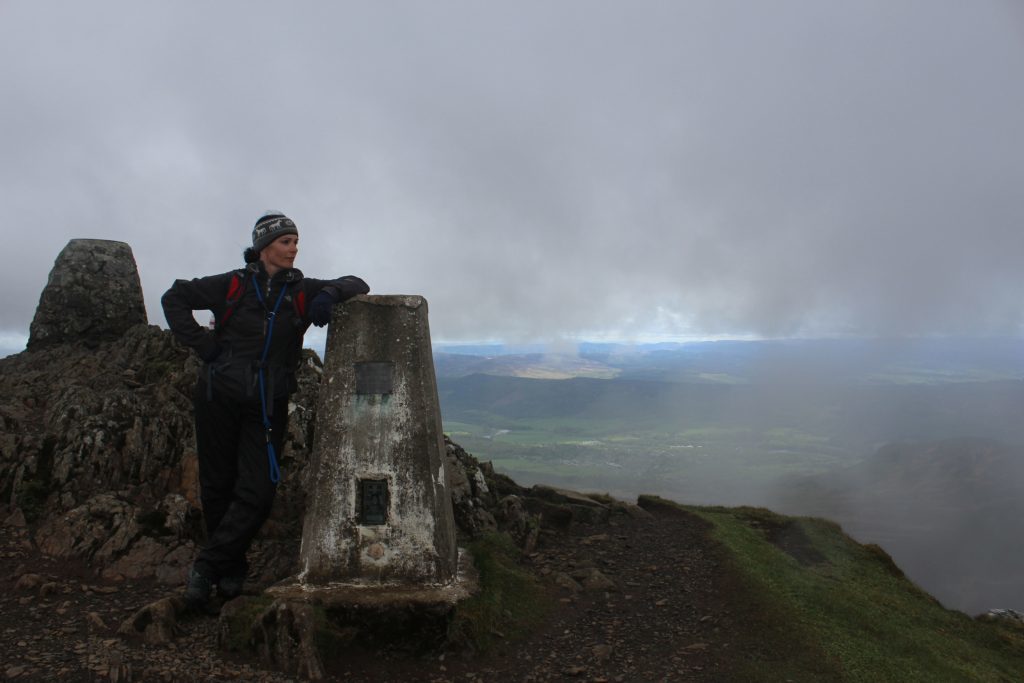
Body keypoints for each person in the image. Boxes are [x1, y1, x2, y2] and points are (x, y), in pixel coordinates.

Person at [161, 211, 369, 608]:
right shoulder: (232, 285)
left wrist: (329, 295)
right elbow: (175, 297)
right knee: (217, 487)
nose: (294, 248)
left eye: (295, 241)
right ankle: (231, 568)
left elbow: (357, 282)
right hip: (216, 397)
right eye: (286, 241)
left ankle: (206, 567)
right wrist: (203, 347)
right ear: (264, 247)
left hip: (265, 403)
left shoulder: (302, 290)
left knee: (258, 491)